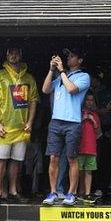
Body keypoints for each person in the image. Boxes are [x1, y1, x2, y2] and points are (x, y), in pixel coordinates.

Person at [0, 46, 38, 204]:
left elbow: (33, 101)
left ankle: (13, 190)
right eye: (10, 53)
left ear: (21, 55)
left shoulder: (29, 78)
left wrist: (30, 122)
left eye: (16, 52)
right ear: (6, 55)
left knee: (17, 161)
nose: (13, 55)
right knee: (1, 159)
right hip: (3, 127)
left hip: (21, 128)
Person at [41, 48, 91, 206]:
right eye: (67, 56)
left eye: (71, 56)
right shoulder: (61, 76)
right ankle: (53, 191)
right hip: (56, 121)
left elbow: (71, 89)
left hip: (73, 122)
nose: (68, 58)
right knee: (53, 157)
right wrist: (51, 70)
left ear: (80, 60)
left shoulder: (84, 76)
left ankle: (71, 193)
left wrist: (62, 71)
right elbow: (45, 89)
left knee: (72, 159)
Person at [78, 93, 100, 201]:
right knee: (79, 170)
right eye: (87, 100)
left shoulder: (95, 115)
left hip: (91, 148)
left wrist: (93, 120)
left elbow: (99, 132)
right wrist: (82, 119)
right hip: (80, 147)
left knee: (89, 171)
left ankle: (87, 192)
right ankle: (80, 191)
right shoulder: (78, 113)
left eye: (92, 100)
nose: (89, 102)